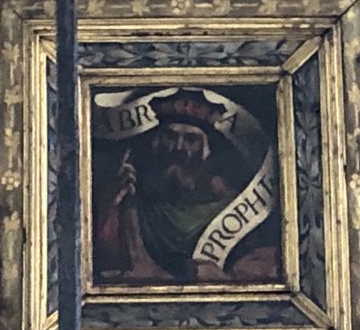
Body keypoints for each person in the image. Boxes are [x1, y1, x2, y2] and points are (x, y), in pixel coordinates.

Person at [93, 90, 278, 284]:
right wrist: (112, 207)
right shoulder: (134, 201)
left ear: (208, 152)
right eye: (170, 136)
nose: (178, 148)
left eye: (191, 140)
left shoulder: (233, 206)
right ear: (156, 142)